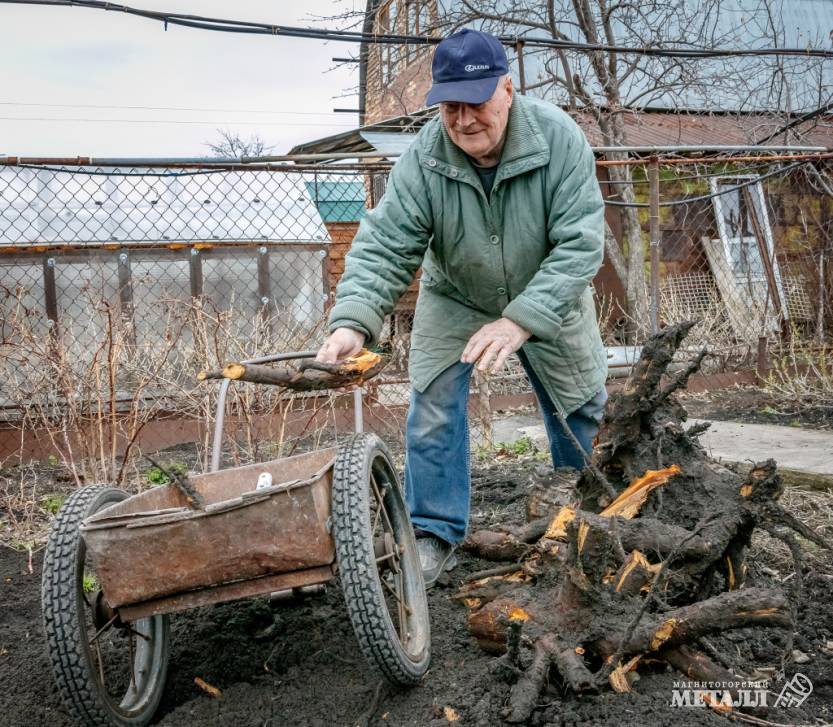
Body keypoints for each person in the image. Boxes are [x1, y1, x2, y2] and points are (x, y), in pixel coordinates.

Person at [316, 28, 608, 588]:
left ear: (507, 89)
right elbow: (386, 243)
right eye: (450, 106)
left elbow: (579, 245)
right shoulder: (426, 155)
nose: (464, 119)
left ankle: (591, 519)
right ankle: (433, 530)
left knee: (581, 409)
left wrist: (521, 319)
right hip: (456, 295)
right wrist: (354, 320)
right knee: (431, 410)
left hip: (547, 292)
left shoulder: (559, 140)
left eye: (475, 103)